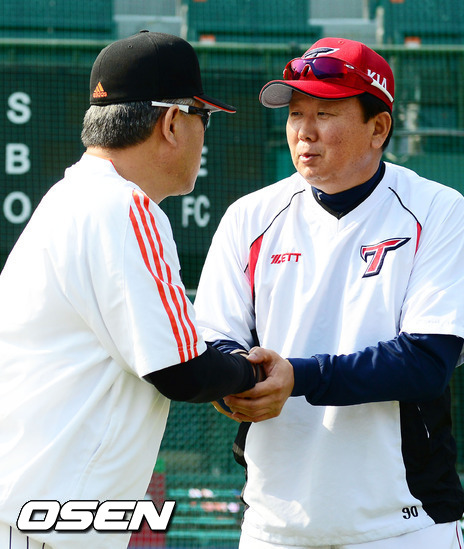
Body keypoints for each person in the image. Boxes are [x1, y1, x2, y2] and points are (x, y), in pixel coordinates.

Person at [0, 30, 284, 549]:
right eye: (204, 117)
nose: (204, 133)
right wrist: (254, 372)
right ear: (172, 122)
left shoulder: (70, 197)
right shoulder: (125, 206)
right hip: (46, 524)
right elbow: (182, 371)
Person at [194, 37, 464, 549]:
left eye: (324, 113)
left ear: (378, 128)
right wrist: (234, 378)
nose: (304, 130)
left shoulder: (437, 209)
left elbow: (426, 360)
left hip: (405, 522)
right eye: (295, 114)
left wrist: (298, 375)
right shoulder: (248, 216)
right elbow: (214, 341)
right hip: (274, 523)